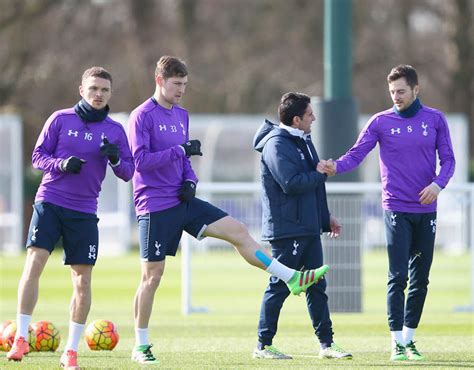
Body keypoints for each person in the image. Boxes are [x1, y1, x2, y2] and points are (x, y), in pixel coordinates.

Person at [127, 56, 330, 365]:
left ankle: (290, 276)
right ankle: (140, 346)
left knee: (237, 230)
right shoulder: (141, 116)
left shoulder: (182, 115)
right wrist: (179, 151)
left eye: (184, 84)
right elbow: (139, 162)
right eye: (176, 84)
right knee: (152, 277)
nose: (181, 90)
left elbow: (185, 162)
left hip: (183, 200)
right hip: (154, 204)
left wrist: (190, 181)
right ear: (159, 81)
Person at [319, 64, 455, 361]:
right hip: (395, 208)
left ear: (416, 89)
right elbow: (356, 154)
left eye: (401, 91)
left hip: (426, 210)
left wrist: (437, 185)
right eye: (392, 92)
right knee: (398, 276)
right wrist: (335, 166)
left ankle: (409, 339)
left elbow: (449, 161)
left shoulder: (435, 120)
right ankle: (396, 342)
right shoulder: (380, 122)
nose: (396, 96)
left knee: (422, 278)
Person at [6, 67, 134, 369]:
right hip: (50, 203)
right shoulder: (60, 119)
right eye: (93, 89)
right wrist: (61, 164)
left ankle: (72, 351)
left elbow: (127, 172)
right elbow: (38, 157)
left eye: (104, 89)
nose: (98, 94)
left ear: (110, 93)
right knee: (34, 264)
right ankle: (21, 337)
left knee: (82, 281)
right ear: (82, 90)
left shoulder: (115, 130)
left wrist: (114, 156)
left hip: (85, 211)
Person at [252, 92, 352, 360]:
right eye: (309, 114)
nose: (314, 118)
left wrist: (325, 217)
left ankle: (327, 345)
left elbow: (314, 184)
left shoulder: (303, 140)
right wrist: (319, 173)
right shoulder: (276, 144)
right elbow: (291, 183)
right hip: (287, 230)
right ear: (296, 120)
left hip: (308, 227)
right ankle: (263, 345)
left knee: (317, 285)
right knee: (280, 285)